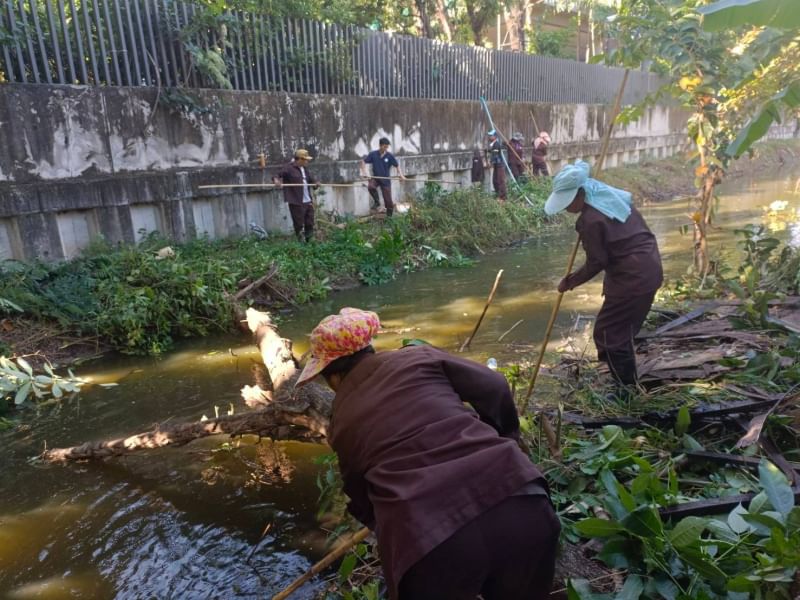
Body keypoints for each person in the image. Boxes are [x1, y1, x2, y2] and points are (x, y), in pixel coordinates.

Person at [296, 308, 560, 600]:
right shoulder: (417, 357)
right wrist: (506, 438)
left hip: (430, 544)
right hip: (520, 500)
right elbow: (496, 386)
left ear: (333, 376)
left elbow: (359, 493)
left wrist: (383, 528)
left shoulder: (342, 421)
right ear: (369, 346)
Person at [545, 160, 663, 398]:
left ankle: (626, 391)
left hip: (633, 277)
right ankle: (626, 382)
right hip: (647, 267)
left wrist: (570, 281)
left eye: (568, 202)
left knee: (609, 334)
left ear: (580, 194)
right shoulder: (604, 195)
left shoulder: (591, 220)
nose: (566, 209)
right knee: (618, 331)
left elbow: (597, 261)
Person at [272, 149, 319, 243]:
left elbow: (311, 180)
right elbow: (276, 175)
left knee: (309, 222)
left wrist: (316, 183)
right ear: (300, 159)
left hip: (307, 200)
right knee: (299, 224)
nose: (307, 161)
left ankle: (310, 242)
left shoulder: (305, 169)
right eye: (306, 160)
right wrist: (276, 180)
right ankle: (301, 243)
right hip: (296, 201)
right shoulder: (289, 168)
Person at [360, 137, 406, 216]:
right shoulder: (373, 154)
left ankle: (389, 218)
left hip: (385, 180)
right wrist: (365, 173)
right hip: (376, 178)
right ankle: (377, 202)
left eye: (387, 147)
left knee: (388, 202)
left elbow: (397, 165)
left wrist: (401, 175)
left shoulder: (389, 156)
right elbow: (363, 161)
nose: (386, 149)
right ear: (380, 145)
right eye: (384, 147)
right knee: (371, 186)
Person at [486, 130, 507, 201]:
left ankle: (503, 197)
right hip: (496, 165)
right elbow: (493, 152)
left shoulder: (496, 144)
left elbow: (495, 155)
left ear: (495, 136)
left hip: (499, 165)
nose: (489, 137)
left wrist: (491, 162)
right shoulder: (493, 144)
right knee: (495, 180)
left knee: (500, 180)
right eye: (489, 135)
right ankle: (498, 194)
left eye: (491, 136)